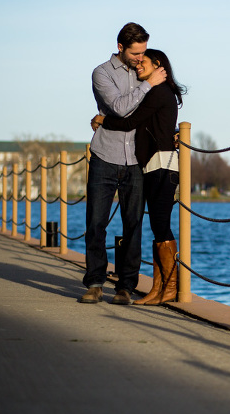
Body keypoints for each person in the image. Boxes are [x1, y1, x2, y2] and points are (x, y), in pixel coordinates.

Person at [80, 23, 166, 305]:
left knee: (134, 224)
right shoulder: (102, 73)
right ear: (120, 48)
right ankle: (94, 282)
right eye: (135, 53)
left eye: (143, 52)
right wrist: (147, 86)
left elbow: (157, 107)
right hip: (105, 155)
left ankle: (126, 287)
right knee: (96, 222)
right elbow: (119, 107)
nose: (141, 58)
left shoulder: (144, 72)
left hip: (136, 160)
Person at [92, 49, 186, 305]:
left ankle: (168, 289)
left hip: (162, 165)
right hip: (154, 164)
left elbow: (129, 122)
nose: (138, 66)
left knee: (162, 227)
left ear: (157, 65)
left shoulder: (158, 91)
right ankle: (158, 289)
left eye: (143, 62)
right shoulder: (157, 92)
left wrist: (102, 119)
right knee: (158, 227)